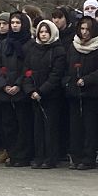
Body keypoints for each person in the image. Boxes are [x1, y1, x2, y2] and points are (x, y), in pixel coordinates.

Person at [65, 15, 98, 171]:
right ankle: (75, 156)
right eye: (82, 29)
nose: (84, 33)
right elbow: (66, 66)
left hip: (91, 93)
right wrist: (68, 82)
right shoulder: (73, 46)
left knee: (89, 127)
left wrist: (87, 79)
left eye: (87, 30)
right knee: (75, 126)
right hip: (74, 92)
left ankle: (88, 157)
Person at [0, 11, 34, 168]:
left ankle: (23, 155)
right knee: (8, 125)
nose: (15, 26)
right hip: (5, 91)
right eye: (13, 23)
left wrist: (18, 84)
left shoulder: (29, 44)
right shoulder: (5, 43)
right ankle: (12, 153)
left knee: (23, 125)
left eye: (18, 23)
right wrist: (3, 85)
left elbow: (28, 68)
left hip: (21, 91)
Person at [27, 19, 67, 169]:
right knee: (37, 127)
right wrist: (30, 89)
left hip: (51, 95)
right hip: (34, 94)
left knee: (50, 127)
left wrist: (41, 91)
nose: (43, 35)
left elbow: (56, 74)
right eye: (41, 32)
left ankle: (51, 157)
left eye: (46, 32)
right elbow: (27, 70)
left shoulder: (58, 50)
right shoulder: (33, 49)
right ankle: (39, 155)